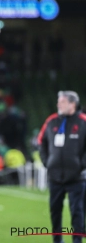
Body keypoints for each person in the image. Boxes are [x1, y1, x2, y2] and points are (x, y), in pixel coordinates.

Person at [38, 91, 86, 243]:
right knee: (55, 212)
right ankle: (57, 241)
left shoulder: (83, 121)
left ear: (73, 104)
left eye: (63, 101)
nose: (59, 104)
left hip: (76, 177)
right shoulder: (51, 121)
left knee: (77, 212)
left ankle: (77, 241)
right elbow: (41, 142)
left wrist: (81, 165)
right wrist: (48, 163)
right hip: (55, 177)